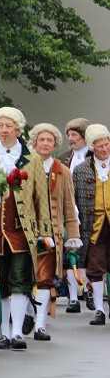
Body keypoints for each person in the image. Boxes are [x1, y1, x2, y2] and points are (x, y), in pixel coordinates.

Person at [0, 107, 52, 350]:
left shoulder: (32, 159)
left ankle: (17, 333)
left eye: (9, 126)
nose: (4, 130)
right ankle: (3, 332)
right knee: (0, 281)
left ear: (18, 129)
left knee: (21, 280)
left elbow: (41, 198)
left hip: (23, 230)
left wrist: (45, 232)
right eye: (0, 125)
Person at [29, 122, 82, 335]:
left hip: (50, 234)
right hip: (25, 232)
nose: (45, 143)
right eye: (41, 139)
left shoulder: (63, 171)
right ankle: (25, 313)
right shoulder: (24, 166)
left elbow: (70, 206)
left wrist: (74, 237)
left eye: (49, 140)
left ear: (55, 144)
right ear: (35, 142)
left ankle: (40, 322)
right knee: (23, 276)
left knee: (44, 277)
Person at [71, 123, 110, 325]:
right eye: (100, 146)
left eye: (107, 144)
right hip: (93, 226)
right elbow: (74, 200)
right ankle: (100, 310)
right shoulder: (81, 170)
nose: (104, 149)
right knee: (94, 268)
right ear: (92, 147)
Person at [60, 118, 92, 308]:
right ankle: (73, 297)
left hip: (89, 213)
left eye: (74, 135)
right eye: (69, 135)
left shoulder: (93, 156)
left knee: (88, 254)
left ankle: (87, 291)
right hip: (70, 212)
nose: (71, 139)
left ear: (83, 137)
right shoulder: (63, 157)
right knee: (71, 253)